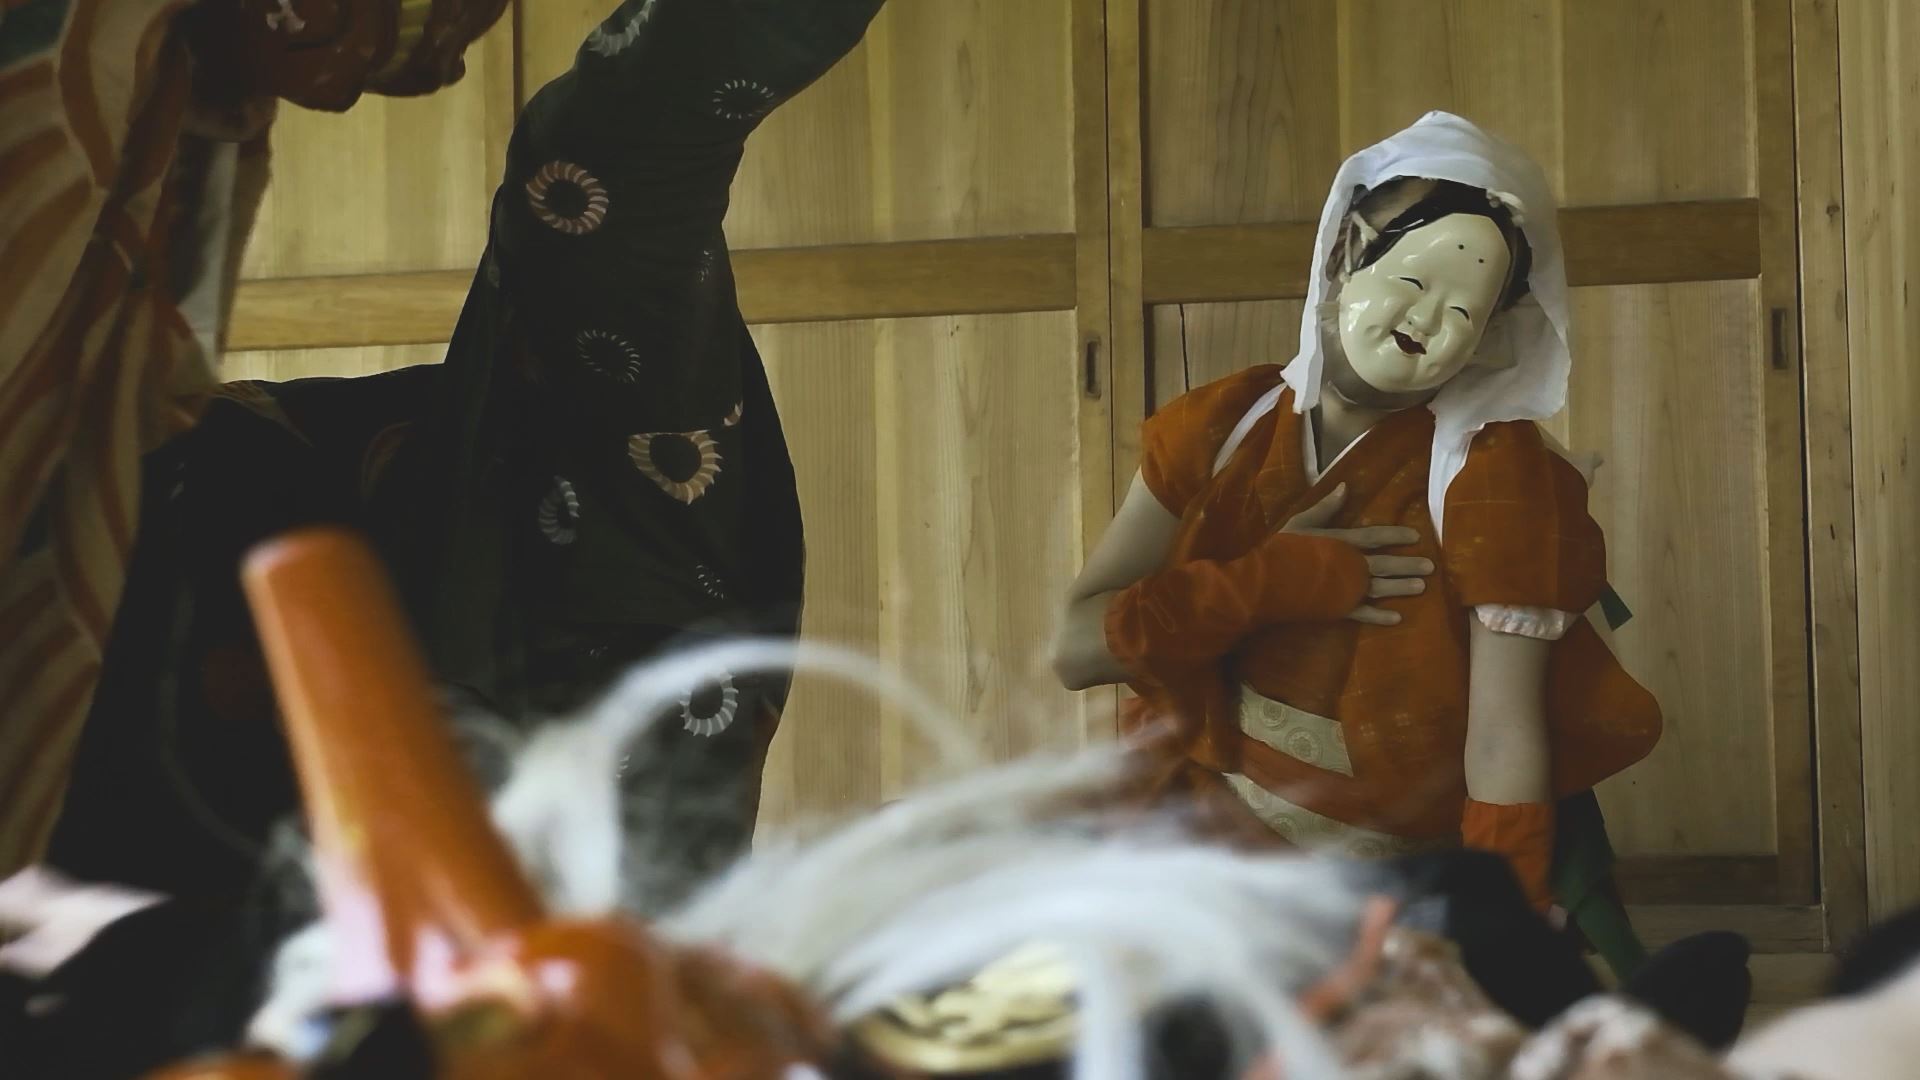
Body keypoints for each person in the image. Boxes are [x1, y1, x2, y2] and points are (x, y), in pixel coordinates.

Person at [1051, 113, 1663, 927]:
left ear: (1491, 336)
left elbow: (1501, 739)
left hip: (1383, 885)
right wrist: (1265, 581)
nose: (1427, 321)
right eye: (1413, 280)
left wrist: (1504, 926)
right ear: (1343, 253)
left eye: (1464, 310)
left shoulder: (1499, 477)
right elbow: (1076, 650)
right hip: (1184, 841)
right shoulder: (1222, 427)